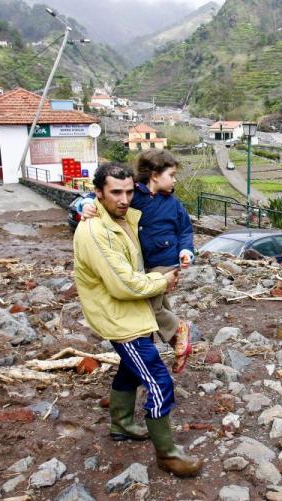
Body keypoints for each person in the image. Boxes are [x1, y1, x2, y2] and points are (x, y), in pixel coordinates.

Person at [73, 163, 202, 477]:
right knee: (159, 382)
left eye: (129, 191)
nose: (124, 198)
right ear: (99, 193)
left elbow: (163, 212)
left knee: (131, 371)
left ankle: (122, 425)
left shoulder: (123, 217)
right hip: (122, 320)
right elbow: (124, 284)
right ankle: (168, 455)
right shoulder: (95, 231)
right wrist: (162, 283)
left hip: (134, 314)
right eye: (115, 192)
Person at [80, 150, 194, 373]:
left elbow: (185, 230)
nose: (174, 180)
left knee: (149, 306)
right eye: (171, 175)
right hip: (141, 263)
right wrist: (83, 205)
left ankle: (179, 332)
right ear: (154, 175)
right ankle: (176, 344)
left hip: (165, 261)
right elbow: (99, 199)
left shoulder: (173, 204)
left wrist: (186, 251)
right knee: (157, 304)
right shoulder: (135, 197)